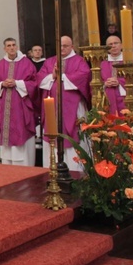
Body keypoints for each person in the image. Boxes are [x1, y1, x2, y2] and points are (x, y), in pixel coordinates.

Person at [37, 36, 91, 171]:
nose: (62, 49)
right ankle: (51, 171)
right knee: (52, 136)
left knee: (73, 135)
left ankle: (76, 171)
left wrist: (62, 76)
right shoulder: (50, 61)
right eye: (59, 46)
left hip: (73, 108)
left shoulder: (79, 61)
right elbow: (39, 78)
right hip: (52, 108)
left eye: (65, 46)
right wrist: (52, 76)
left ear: (72, 46)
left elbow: (84, 76)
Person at [0, 38, 38, 166]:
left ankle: (24, 164)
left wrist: (17, 83)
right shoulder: (0, 65)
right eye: (8, 46)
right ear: (4, 49)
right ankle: (7, 163)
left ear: (17, 47)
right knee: (7, 134)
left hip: (21, 106)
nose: (11, 48)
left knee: (21, 130)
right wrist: (2, 84)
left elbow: (34, 83)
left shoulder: (26, 63)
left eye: (13, 45)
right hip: (5, 107)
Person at [101, 35, 133, 129]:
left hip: (127, 101)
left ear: (122, 45)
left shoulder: (132, 63)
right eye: (110, 44)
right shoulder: (101, 64)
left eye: (116, 43)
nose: (113, 46)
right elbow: (93, 85)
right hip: (108, 102)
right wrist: (104, 84)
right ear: (106, 48)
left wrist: (120, 83)